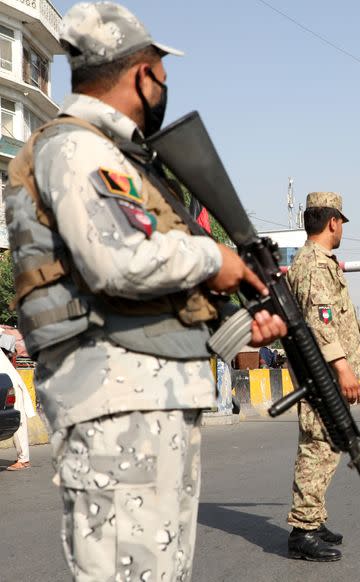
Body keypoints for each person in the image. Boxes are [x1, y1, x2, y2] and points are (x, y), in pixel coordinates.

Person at [4, 3, 287, 579]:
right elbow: (119, 265)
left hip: (147, 396)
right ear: (142, 73)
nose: (164, 89)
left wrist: (231, 323)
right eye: (162, 75)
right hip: (116, 403)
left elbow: (144, 290)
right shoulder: (75, 148)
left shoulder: (117, 157)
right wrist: (215, 258)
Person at [286, 192, 360, 562]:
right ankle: (303, 530)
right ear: (333, 221)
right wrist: (343, 367)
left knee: (329, 447)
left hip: (324, 369)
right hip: (322, 373)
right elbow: (319, 321)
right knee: (318, 447)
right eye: (342, 222)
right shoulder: (314, 264)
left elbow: (335, 315)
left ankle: (313, 521)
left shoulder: (319, 262)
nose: (343, 228)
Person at [0, 334, 35, 471]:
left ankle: (24, 460)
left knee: (18, 421)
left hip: (10, 386)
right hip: (7, 384)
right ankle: (23, 457)